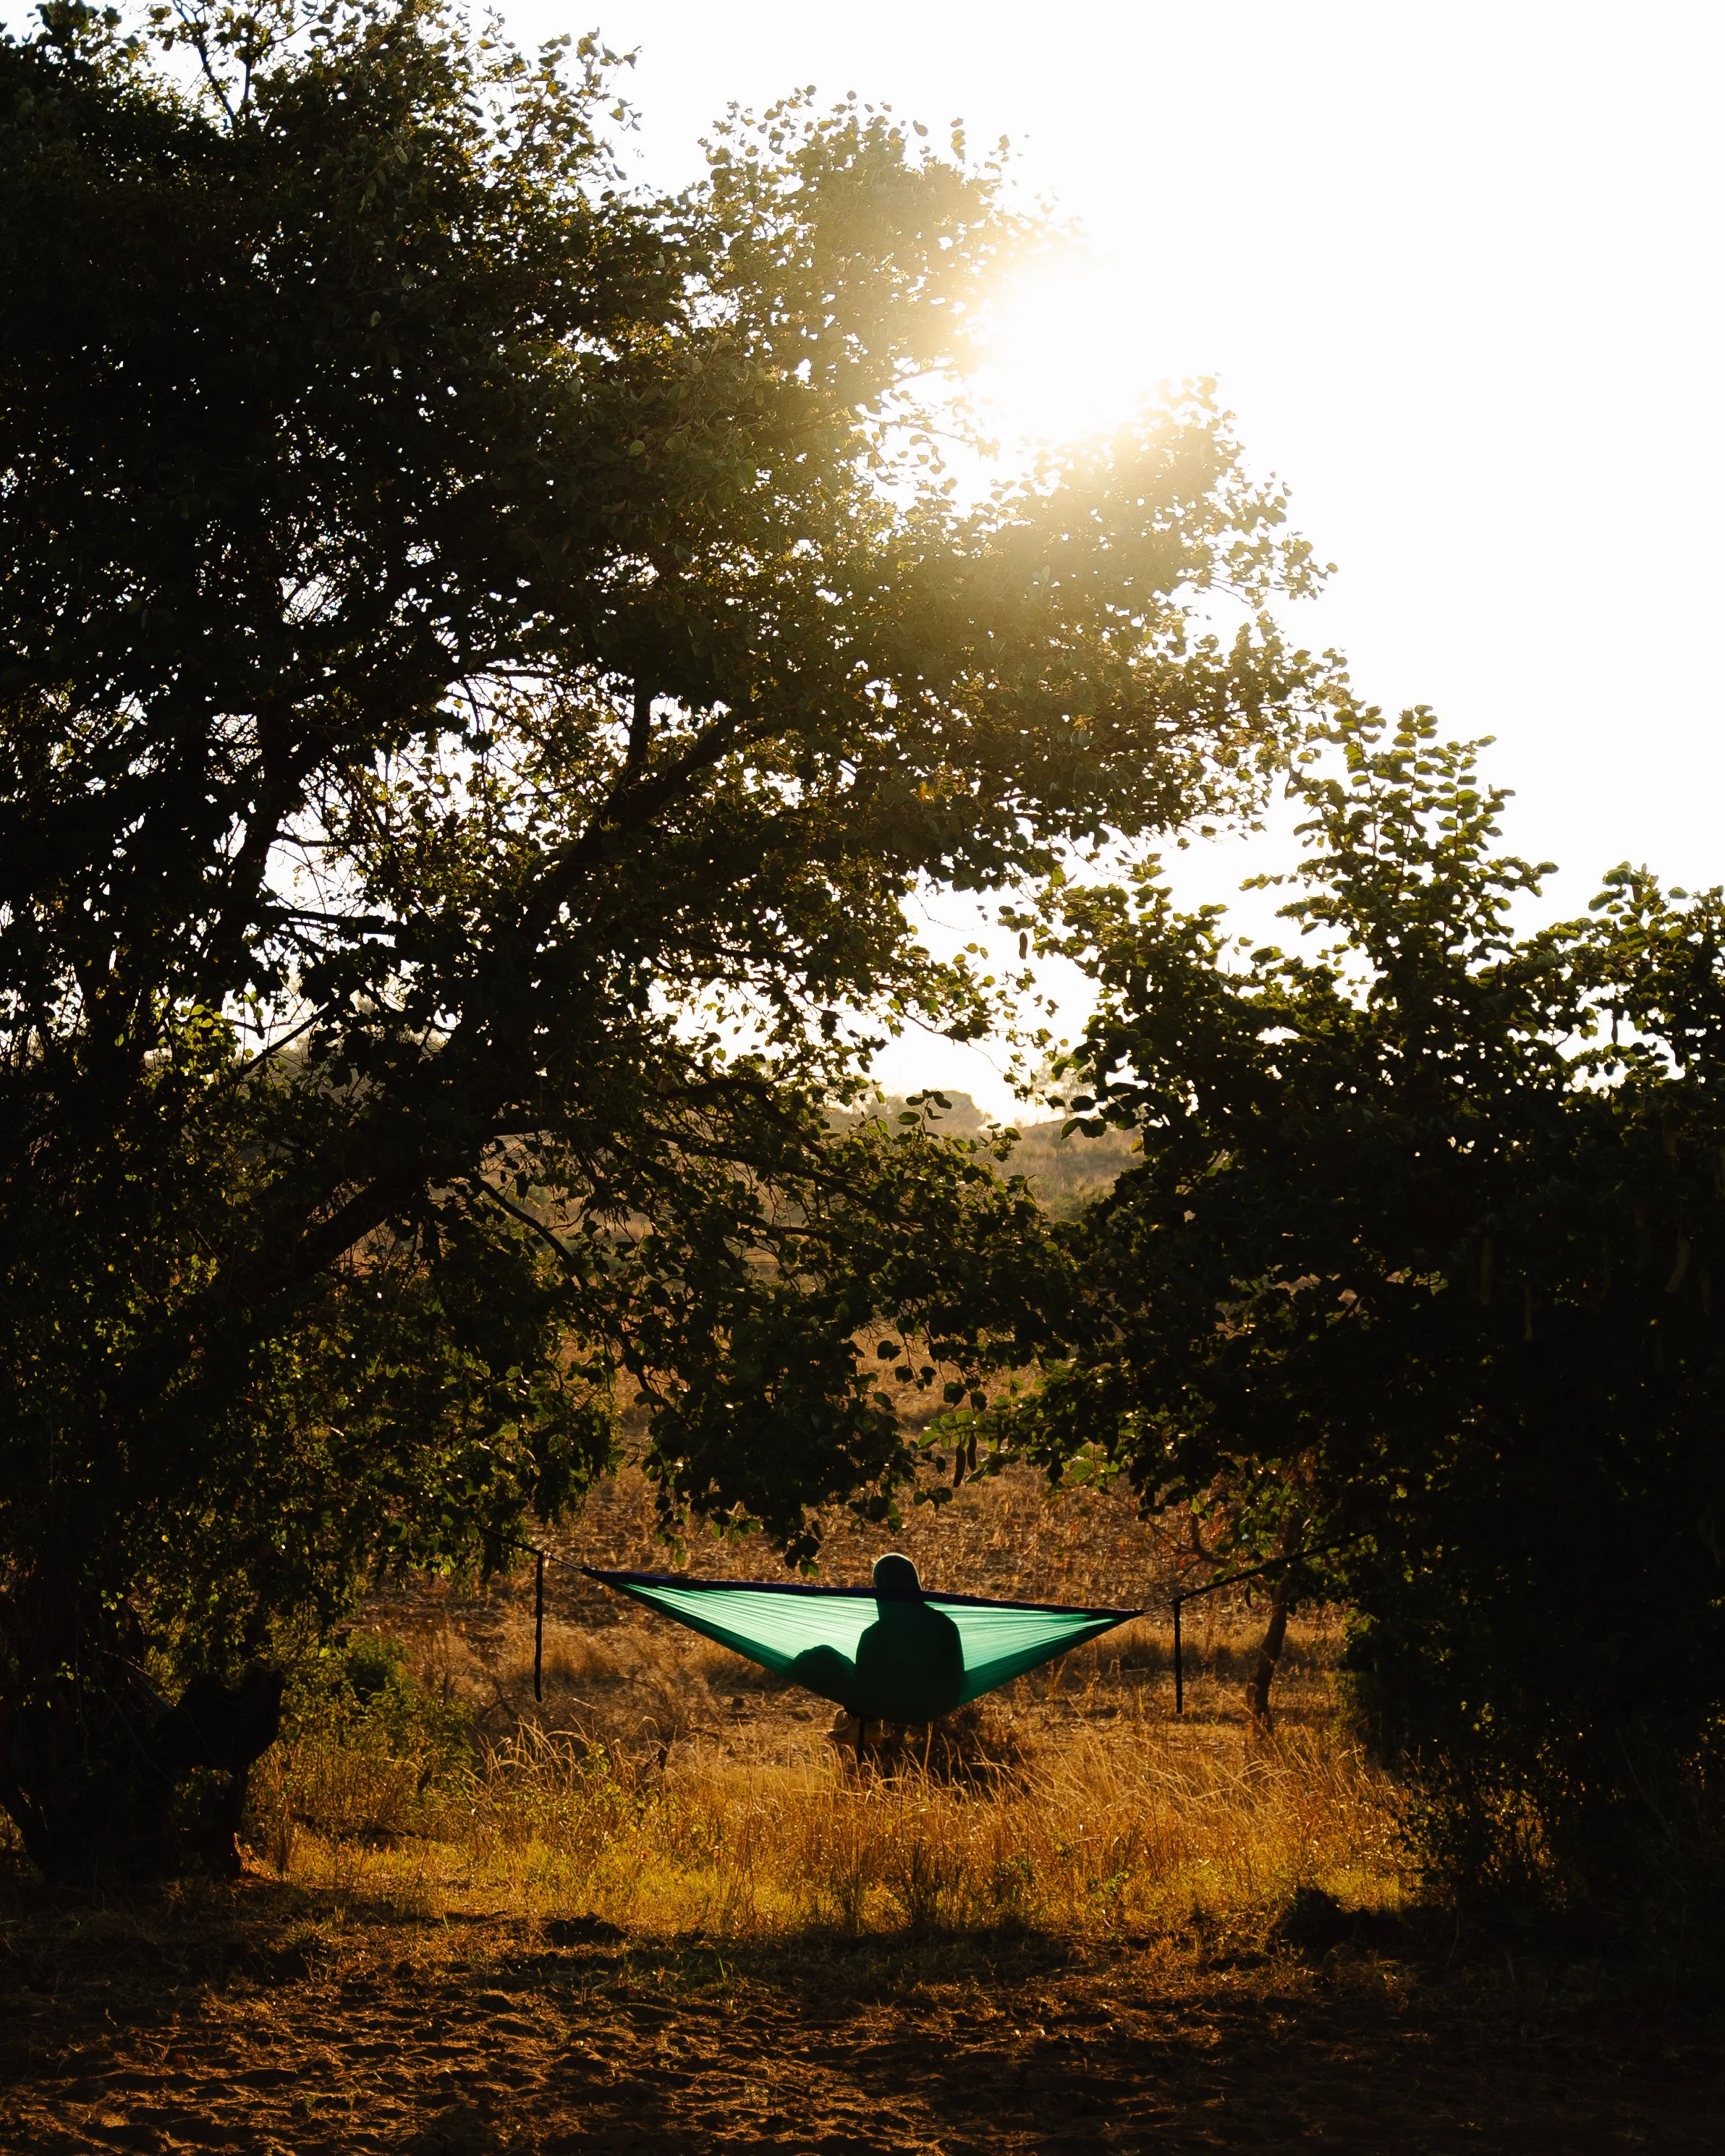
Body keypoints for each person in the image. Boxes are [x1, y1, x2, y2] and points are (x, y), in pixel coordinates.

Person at [789, 1553, 965, 1724]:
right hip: (939, 1703)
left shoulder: (874, 1635)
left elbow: (866, 1686)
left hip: (892, 1704)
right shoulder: (946, 1625)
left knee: (822, 1655)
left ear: (880, 1591)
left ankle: (861, 1723)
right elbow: (956, 1677)